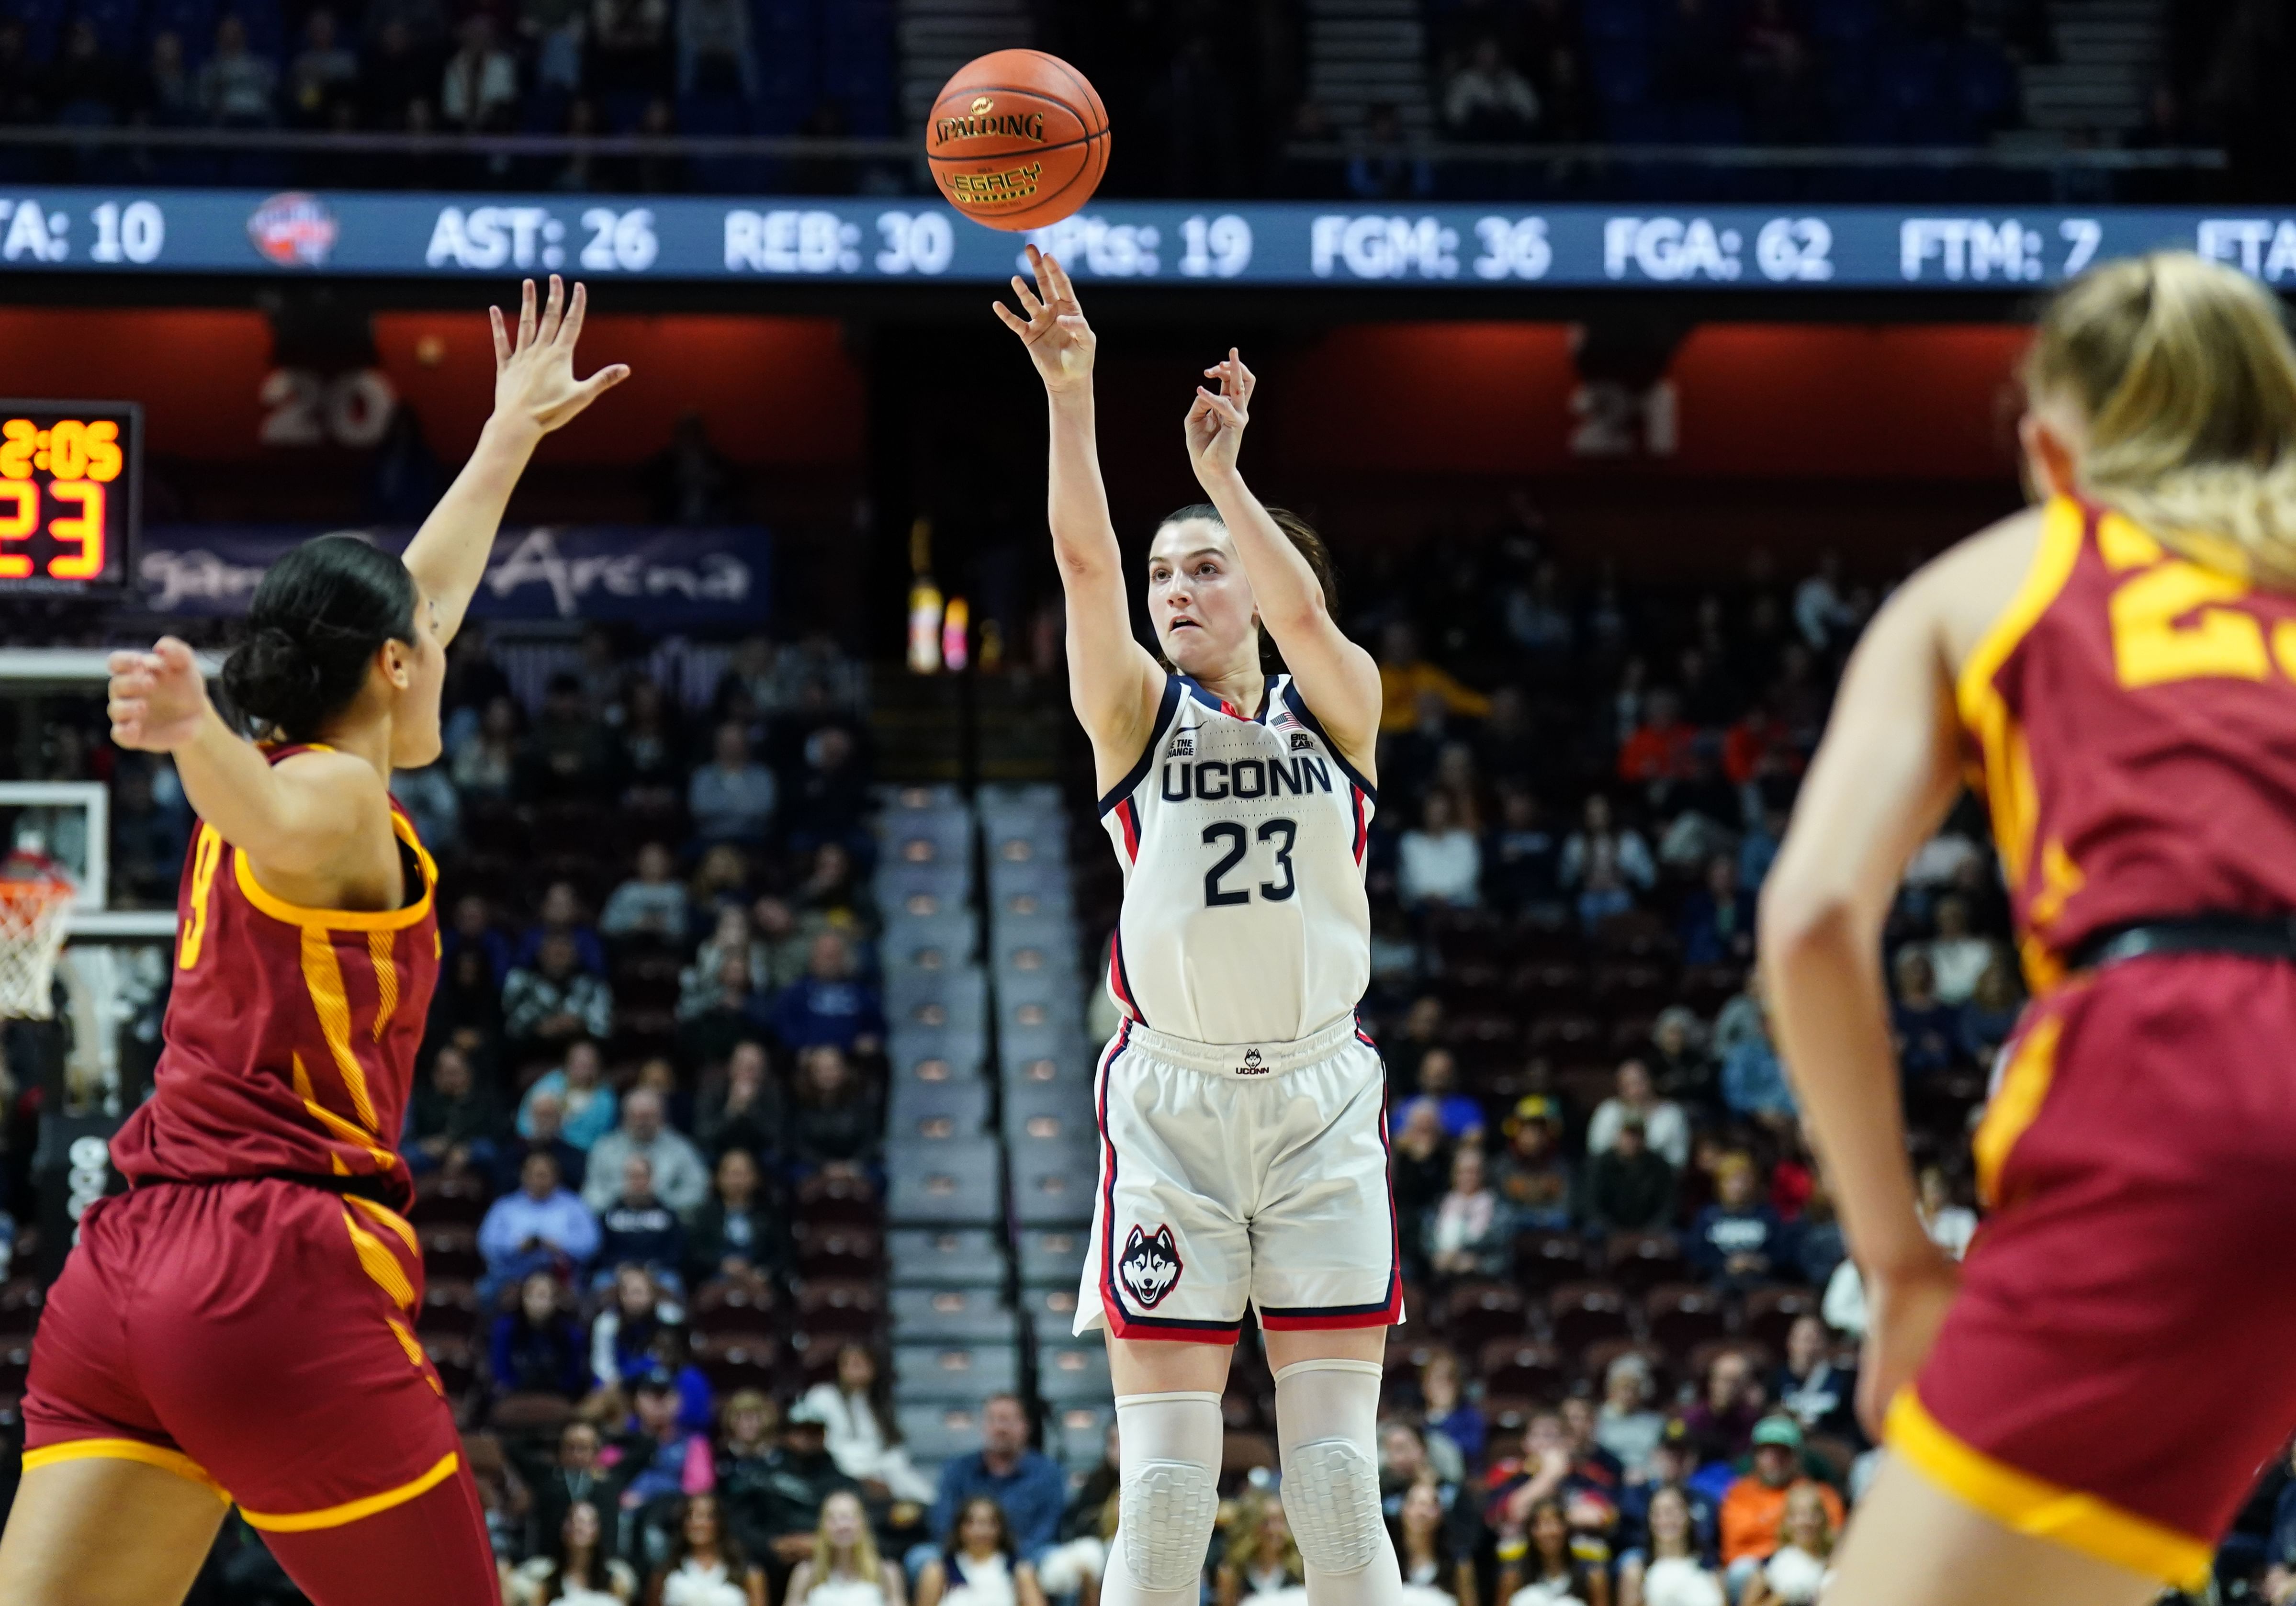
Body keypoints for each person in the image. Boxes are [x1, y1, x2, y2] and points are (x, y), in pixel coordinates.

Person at [0, 277, 625, 1606]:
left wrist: (510, 430)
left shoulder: (336, 737)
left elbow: (429, 595)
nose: (446, 646)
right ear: (393, 670)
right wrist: (193, 741)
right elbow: (279, 818)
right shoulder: (332, 793)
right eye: (429, 646)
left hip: (120, 1274)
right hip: (269, 1272)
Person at [1759, 252, 2296, 1606]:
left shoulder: (2000, 573)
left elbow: (1815, 915)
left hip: (2193, 1081)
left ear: (2051, 449)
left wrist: (1896, 1260)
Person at [998, 247, 1403, 1606]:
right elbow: (1080, 558)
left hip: (1318, 1103)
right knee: (1166, 1505)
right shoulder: (1131, 712)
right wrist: (1073, 390)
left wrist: (1228, 478)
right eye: (1168, 569)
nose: (1176, 586)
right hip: (1168, 1108)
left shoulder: (1338, 699)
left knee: (1339, 1496)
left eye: (1205, 567)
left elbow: (1300, 611)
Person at [919, 1395, 1065, 1572]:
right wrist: (968, 1557)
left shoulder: (1048, 1473)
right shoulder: (957, 1469)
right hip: (963, 1556)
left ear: (1026, 1426)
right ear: (983, 1425)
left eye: (1008, 1420)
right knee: (921, 1558)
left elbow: (1048, 1528)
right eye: (993, 1420)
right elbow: (942, 1522)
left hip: (1026, 1557)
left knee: (1057, 1562)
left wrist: (1009, 1561)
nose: (1001, 1428)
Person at [1716, 1420, 1841, 1599]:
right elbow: (1738, 1542)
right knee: (1744, 1573)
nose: (1775, 1460)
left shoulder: (1820, 1494)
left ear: (1797, 1457)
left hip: (1811, 1562)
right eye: (1767, 1453)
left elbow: (1835, 1539)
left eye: (1783, 1453)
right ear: (1755, 1456)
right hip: (1756, 1569)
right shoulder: (1739, 1494)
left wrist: (1770, 1527)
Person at [800, 1344, 936, 1504]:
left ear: (873, 1368)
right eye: (849, 1364)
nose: (855, 1369)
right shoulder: (824, 1397)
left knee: (928, 1498)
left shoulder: (879, 1404)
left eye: (860, 1363)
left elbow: (893, 1452)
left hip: (884, 1473)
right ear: (839, 1368)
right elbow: (805, 1434)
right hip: (839, 1474)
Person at [481, 1150, 603, 1298]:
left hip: (562, 1277)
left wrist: (560, 1246)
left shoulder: (575, 1206)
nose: (539, 1181)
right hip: (513, 1276)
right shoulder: (505, 1206)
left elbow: (591, 1244)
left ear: (556, 1177)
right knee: (484, 1290)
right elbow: (487, 1244)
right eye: (534, 1175)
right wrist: (516, 1246)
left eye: (544, 1176)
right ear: (524, 1176)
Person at [585, 1088, 709, 1216]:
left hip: (667, 1221)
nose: (642, 1123)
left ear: (661, 1117)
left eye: (648, 1117)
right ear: (625, 1117)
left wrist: (661, 1203)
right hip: (614, 1221)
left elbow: (698, 1189)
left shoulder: (680, 1148)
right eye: (636, 1116)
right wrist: (622, 1201)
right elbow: (592, 1193)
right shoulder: (605, 1148)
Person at [917, 1497, 1048, 1606]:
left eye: (989, 1523)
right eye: (972, 1523)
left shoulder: (1020, 1571)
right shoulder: (938, 1571)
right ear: (959, 1528)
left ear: (1001, 1529)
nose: (981, 1531)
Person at [509, 1497, 640, 1606]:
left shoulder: (617, 1579)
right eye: (574, 1521)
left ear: (598, 1530)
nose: (579, 1527)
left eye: (587, 1522)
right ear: (563, 1529)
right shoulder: (544, 1579)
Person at [787, 1489, 906, 1606]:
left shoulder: (888, 1573)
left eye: (849, 1517)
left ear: (863, 1523)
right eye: (833, 1519)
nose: (842, 1526)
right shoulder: (805, 1573)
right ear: (822, 1526)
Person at [687, 1147, 784, 1290]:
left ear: (756, 1178)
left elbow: (781, 1255)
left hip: (758, 1281)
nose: (737, 1180)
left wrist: (762, 1273)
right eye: (732, 1174)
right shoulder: (705, 1215)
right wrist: (720, 1265)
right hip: (715, 1280)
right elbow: (695, 1254)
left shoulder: (769, 1215)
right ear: (718, 1178)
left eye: (743, 1174)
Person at [1686, 1156, 1787, 1290]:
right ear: (1721, 1183)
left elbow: (1782, 1252)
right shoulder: (1708, 1216)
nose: (1739, 1186)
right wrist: (1725, 1263)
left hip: (1759, 1282)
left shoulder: (1768, 1216)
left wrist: (1760, 1262)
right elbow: (1697, 1254)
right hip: (1716, 1282)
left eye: (1744, 1180)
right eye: (1733, 1180)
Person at [651, 1492, 766, 1606]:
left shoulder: (749, 1574)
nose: (696, 1523)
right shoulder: (664, 1574)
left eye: (706, 1516)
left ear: (720, 1522)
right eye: (689, 1516)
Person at [492, 1270, 590, 1400]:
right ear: (522, 1298)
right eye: (532, 1296)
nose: (538, 1303)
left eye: (545, 1297)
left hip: (557, 1395)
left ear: (556, 1301)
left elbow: (572, 1377)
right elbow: (501, 1374)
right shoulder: (505, 1329)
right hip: (514, 1395)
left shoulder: (572, 1334)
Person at [595, 1155, 687, 1293]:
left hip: (658, 1272)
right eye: (633, 1177)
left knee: (672, 1284)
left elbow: (676, 1251)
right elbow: (600, 1250)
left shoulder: (667, 1215)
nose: (638, 1182)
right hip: (617, 1272)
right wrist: (620, 1267)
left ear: (651, 1179)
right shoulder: (610, 1214)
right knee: (600, 1284)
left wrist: (652, 1268)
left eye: (642, 1177)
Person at [1615, 1487, 1720, 1606]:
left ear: (1689, 1515)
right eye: (1658, 1513)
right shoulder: (1637, 1572)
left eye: (1673, 1511)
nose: (1666, 1520)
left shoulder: (1711, 1571)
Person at [1738, 1483, 1835, 1606]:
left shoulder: (1835, 1559)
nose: (1807, 1522)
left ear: (1824, 1518)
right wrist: (1784, 1597)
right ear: (1788, 1521)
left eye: (1814, 1513)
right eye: (1800, 1514)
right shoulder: (1770, 1568)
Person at [1426, 1146, 1512, 1282]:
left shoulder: (1499, 1209)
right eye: (1463, 1172)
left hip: (1485, 1280)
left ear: (1484, 1174)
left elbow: (1504, 1254)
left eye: (1474, 1172)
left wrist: (1477, 1264)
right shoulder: (1439, 1205)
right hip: (1442, 1280)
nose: (1468, 1177)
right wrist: (1437, 1258)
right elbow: (1426, 1242)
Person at [1499, 1498, 1603, 1606]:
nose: (1548, 1532)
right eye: (1540, 1525)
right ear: (1530, 1531)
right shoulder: (1514, 1577)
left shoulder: (1592, 1576)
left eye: (1555, 1523)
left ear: (1566, 1528)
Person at [1770, 1316, 1857, 1445]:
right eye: (1805, 1340)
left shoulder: (1843, 1380)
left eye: (1815, 1340)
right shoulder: (1776, 1379)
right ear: (1790, 1343)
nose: (1810, 1347)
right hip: (1788, 1446)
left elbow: (1850, 1424)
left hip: (1830, 1447)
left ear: (1825, 1343)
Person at [522, 1039, 619, 1153]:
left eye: (588, 1065)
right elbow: (524, 1122)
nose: (583, 1070)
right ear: (568, 1063)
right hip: (539, 1147)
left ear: (598, 1067)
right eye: (578, 1063)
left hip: (581, 1153)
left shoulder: (605, 1099)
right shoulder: (549, 1083)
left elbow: (601, 1138)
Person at [1586, 1062, 1689, 1169]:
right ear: (1619, 1087)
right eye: (1628, 1085)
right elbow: (1596, 1151)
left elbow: (1678, 1160)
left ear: (1651, 1082)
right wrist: (1619, 1148)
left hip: (1656, 1178)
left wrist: (1643, 1153)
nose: (1635, 1091)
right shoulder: (1608, 1111)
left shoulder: (1672, 1114)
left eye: (1640, 1083)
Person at [1215, 1487, 1306, 1606]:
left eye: (1280, 1521)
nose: (1275, 1530)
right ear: (1251, 1526)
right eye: (1267, 1522)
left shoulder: (1300, 1569)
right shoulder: (1233, 1573)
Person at [1582, 1119, 1676, 1234]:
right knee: (1592, 1232)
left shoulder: (1659, 1166)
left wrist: (1649, 1231)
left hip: (1648, 1229)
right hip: (1608, 1229)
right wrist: (1614, 1231)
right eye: (1628, 1136)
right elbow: (1592, 1206)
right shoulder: (1601, 1164)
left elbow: (1667, 1207)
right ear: (1618, 1137)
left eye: (1637, 1136)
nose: (1632, 1141)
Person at [1393, 1477, 1476, 1606]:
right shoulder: (1389, 1561)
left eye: (1429, 1505)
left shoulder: (1459, 1565)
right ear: (1403, 1510)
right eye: (1414, 1504)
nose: (1421, 1512)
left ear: (1441, 1514)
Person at [1593, 1356, 1665, 1480]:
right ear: (1611, 1389)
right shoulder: (1595, 1419)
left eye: (1634, 1389)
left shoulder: (1656, 1423)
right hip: (1605, 1478)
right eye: (1623, 1388)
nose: (1628, 1395)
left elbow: (1662, 1458)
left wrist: (1646, 1474)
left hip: (1646, 1480)